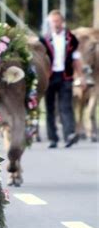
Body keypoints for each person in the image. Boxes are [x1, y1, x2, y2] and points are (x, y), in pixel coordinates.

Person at [40, 10, 86, 148]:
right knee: (50, 108)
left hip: (66, 76)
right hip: (49, 77)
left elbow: (76, 59)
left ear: (62, 22)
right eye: (53, 21)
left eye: (58, 21)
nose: (56, 24)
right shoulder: (44, 39)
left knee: (66, 106)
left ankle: (69, 135)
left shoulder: (71, 38)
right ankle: (53, 138)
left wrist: (82, 76)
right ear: (50, 23)